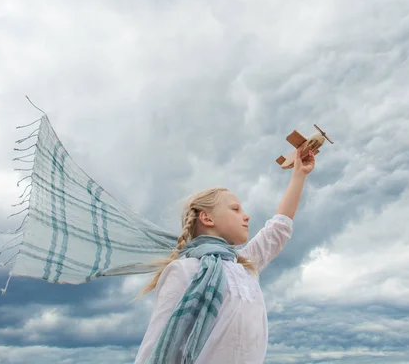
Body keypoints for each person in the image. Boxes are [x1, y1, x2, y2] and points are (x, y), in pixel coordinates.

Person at [134, 148, 316, 363]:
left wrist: (299, 175)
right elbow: (156, 343)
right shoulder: (183, 270)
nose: (246, 216)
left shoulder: (245, 266)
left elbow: (277, 229)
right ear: (207, 218)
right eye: (235, 209)